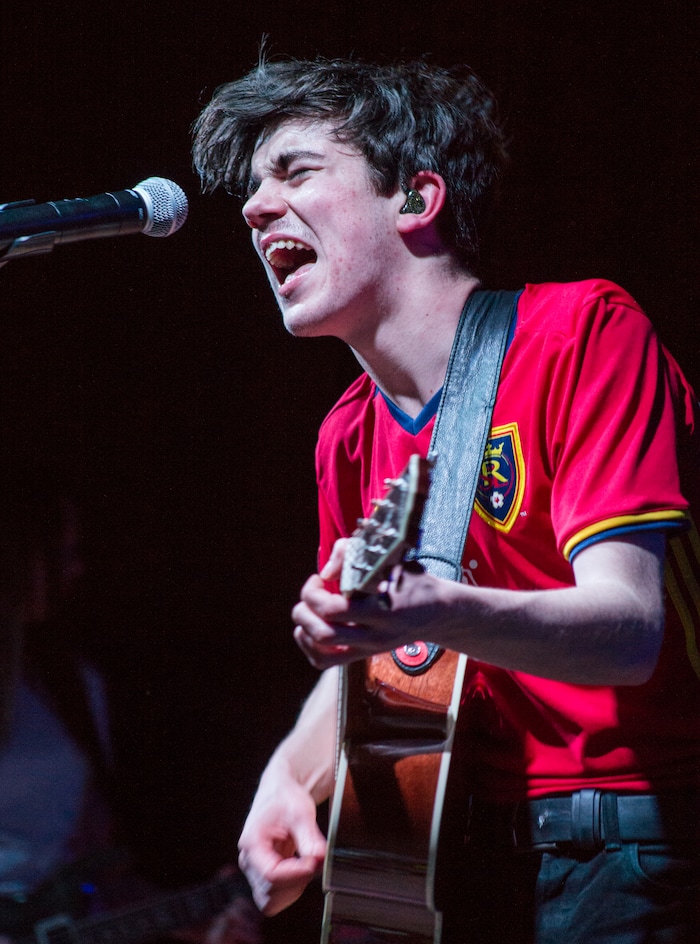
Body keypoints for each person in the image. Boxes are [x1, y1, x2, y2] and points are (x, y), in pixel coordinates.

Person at [191, 56, 700, 942]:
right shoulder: (348, 436)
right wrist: (289, 776)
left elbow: (628, 630)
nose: (254, 208)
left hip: (638, 840)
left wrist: (434, 607)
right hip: (463, 858)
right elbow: (381, 657)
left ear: (417, 198)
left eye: (296, 172)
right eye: (253, 187)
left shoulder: (581, 335)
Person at [0, 467, 262, 944]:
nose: (77, 569)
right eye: (62, 553)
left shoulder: (74, 689)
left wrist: (194, 921)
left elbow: (100, 870)